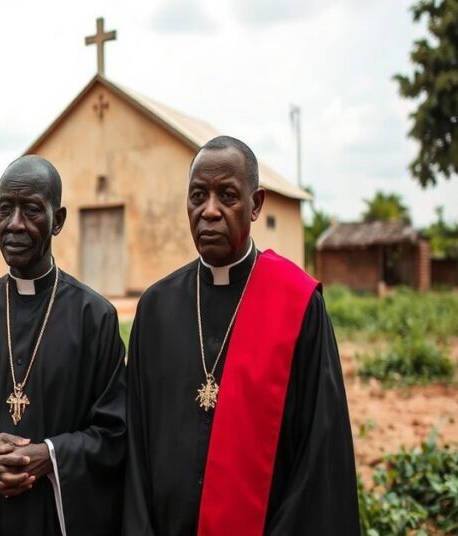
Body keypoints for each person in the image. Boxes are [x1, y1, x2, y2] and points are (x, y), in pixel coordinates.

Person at [123, 136, 359, 535]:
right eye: (198, 195)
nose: (210, 210)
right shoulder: (155, 309)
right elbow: (134, 449)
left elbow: (320, 455)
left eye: (227, 196)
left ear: (256, 204)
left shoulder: (297, 305)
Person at [0, 155, 127, 536]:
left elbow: (114, 431)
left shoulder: (95, 318)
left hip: (56, 518)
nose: (15, 223)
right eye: (5, 209)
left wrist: (50, 456)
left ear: (58, 220)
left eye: (31, 210)